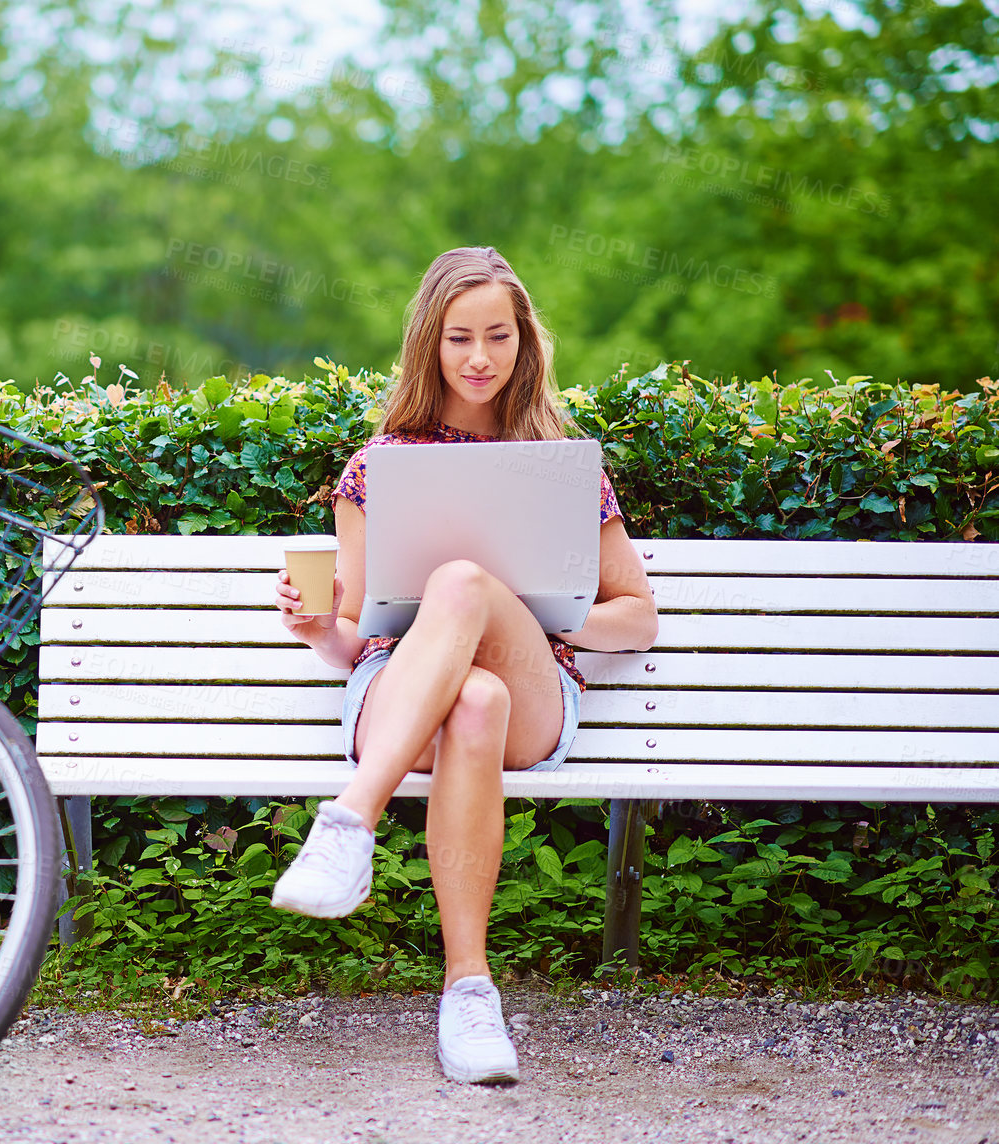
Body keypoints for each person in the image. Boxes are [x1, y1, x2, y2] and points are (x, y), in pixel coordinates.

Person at [270, 246, 659, 1084]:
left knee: (466, 594)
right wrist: (314, 630)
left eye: (498, 337)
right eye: (458, 339)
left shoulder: (561, 465)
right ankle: (469, 993)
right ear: (430, 344)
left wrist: (527, 609)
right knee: (470, 700)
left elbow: (639, 619)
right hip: (396, 694)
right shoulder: (377, 466)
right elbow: (352, 636)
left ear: (525, 344)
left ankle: (347, 824)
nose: (480, 358)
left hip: (536, 694)